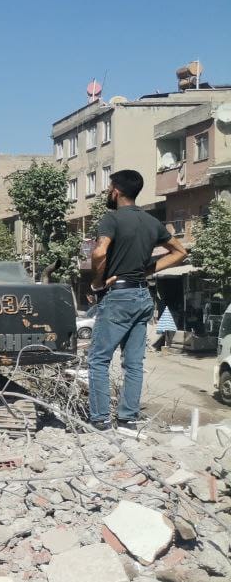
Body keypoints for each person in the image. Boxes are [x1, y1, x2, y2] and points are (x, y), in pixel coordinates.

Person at [88, 169, 187, 426]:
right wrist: (148, 270)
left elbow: (99, 253)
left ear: (116, 191)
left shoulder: (112, 219)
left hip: (118, 296)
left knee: (98, 360)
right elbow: (179, 252)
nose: (109, 192)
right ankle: (127, 418)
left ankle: (99, 420)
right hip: (143, 295)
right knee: (133, 363)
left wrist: (98, 281)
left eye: (110, 188)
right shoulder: (152, 222)